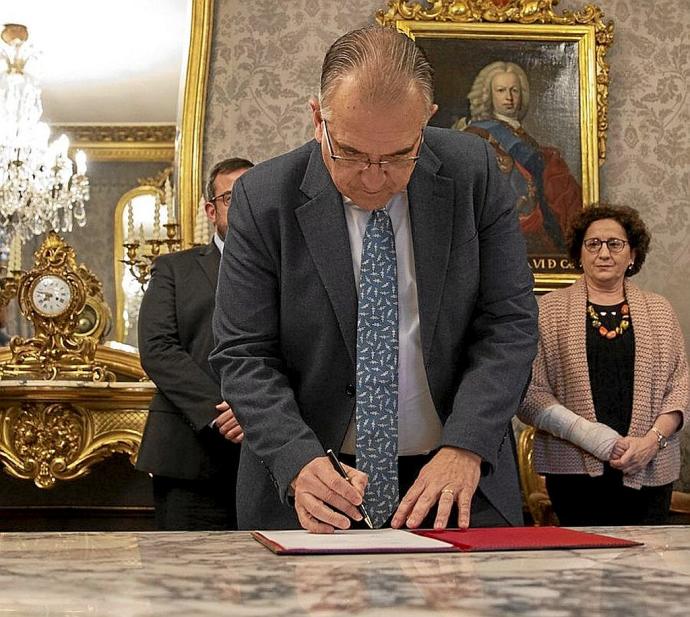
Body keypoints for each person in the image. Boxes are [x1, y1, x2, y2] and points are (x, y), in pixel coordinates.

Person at [210, 26, 538, 533]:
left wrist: (468, 443)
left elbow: (509, 325)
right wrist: (298, 460)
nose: (373, 178)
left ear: (426, 122)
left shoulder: (475, 173)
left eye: (397, 156)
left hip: (456, 478)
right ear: (318, 117)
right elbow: (244, 352)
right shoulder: (263, 197)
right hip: (314, 486)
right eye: (351, 153)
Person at [518, 204, 689, 526]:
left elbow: (680, 387)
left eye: (615, 243)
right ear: (579, 254)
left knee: (646, 568)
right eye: (593, 244)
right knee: (583, 567)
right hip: (574, 474)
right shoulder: (549, 310)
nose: (604, 253)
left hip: (650, 467)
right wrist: (593, 438)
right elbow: (530, 394)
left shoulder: (660, 310)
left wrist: (651, 442)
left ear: (632, 255)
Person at [136, 157, 254, 530]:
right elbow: (158, 349)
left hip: (266, 458)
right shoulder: (175, 268)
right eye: (235, 197)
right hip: (189, 457)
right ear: (210, 209)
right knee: (180, 582)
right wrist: (226, 410)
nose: (247, 205)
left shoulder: (290, 271)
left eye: (255, 195)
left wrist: (256, 410)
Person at [454, 61, 582, 254]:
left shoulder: (521, 135)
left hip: (536, 221)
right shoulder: (479, 133)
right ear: (488, 95)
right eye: (501, 90)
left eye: (514, 90)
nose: (509, 97)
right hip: (508, 224)